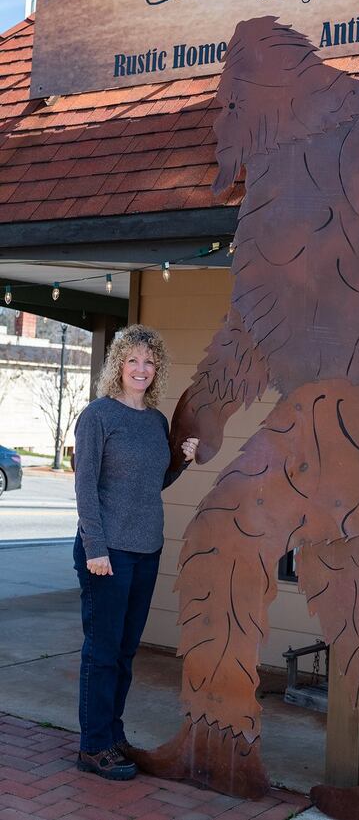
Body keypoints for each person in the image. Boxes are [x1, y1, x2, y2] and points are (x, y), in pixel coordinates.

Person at [72, 324, 199, 781]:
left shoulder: (155, 423)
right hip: (106, 554)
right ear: (118, 366)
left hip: (146, 551)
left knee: (125, 653)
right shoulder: (98, 416)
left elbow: (154, 485)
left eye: (149, 362)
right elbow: (85, 487)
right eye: (133, 361)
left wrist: (180, 459)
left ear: (156, 369)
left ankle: (112, 736)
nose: (141, 369)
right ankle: (92, 747)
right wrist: (96, 548)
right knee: (102, 652)